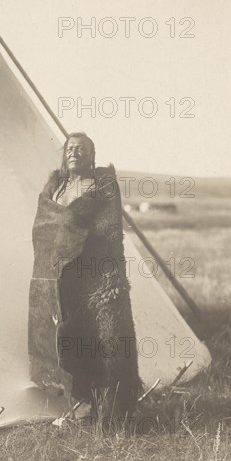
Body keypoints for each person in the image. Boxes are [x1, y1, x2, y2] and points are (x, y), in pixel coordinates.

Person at [28, 132, 142, 419]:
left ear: (92, 155)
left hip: (95, 277)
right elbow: (45, 230)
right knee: (70, 339)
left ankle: (114, 411)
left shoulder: (102, 187)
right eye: (69, 149)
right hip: (61, 280)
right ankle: (81, 403)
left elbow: (108, 233)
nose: (73, 153)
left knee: (105, 341)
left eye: (80, 149)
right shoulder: (55, 189)